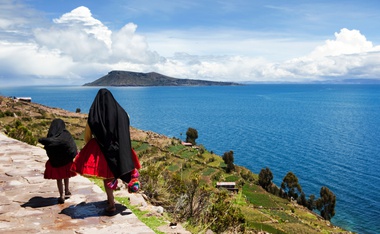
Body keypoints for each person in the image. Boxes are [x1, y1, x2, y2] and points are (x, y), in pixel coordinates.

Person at [71, 88, 141, 213]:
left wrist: (91, 147)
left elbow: (87, 135)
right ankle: (114, 198)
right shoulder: (123, 114)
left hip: (102, 149)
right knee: (119, 172)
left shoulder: (94, 117)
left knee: (107, 177)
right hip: (121, 148)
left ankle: (111, 202)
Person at [38, 118, 77, 204]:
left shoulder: (51, 136)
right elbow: (72, 146)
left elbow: (48, 148)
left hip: (56, 162)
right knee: (66, 175)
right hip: (66, 161)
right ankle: (67, 190)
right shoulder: (66, 135)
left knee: (59, 178)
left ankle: (61, 195)